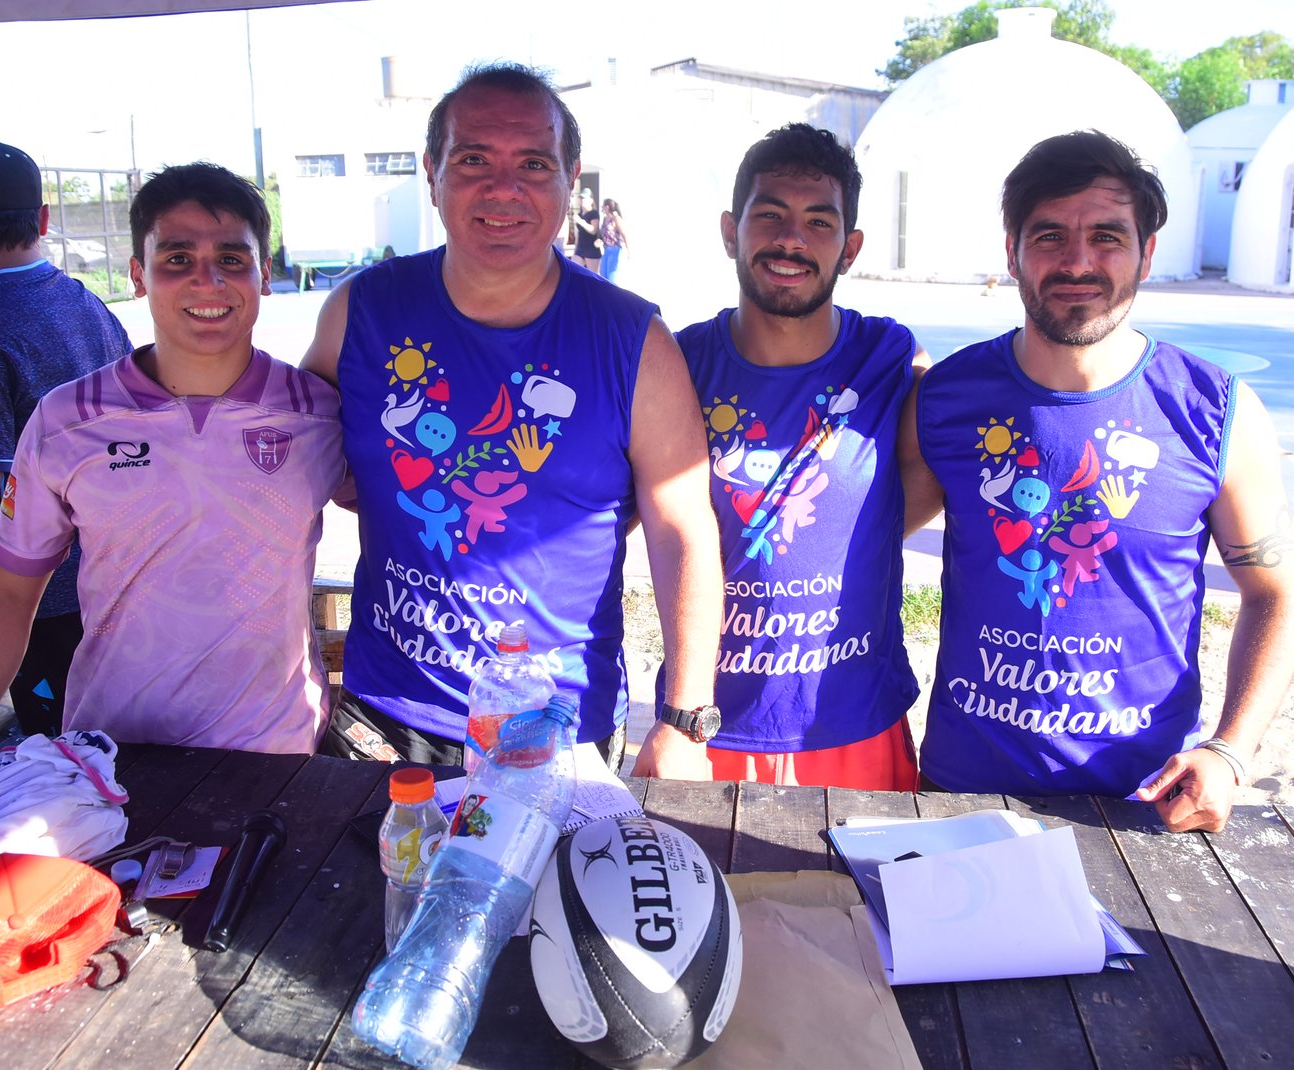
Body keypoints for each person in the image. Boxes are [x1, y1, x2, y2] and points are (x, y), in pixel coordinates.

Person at [301, 62, 722, 777]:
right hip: (386, 715)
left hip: (553, 726)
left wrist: (685, 720)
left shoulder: (634, 341)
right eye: (473, 160)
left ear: (570, 178)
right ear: (432, 173)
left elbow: (682, 525)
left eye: (533, 163)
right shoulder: (359, 311)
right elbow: (297, 453)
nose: (504, 188)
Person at [0, 162, 347, 801]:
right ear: (138, 274)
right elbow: (9, 589)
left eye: (231, 259)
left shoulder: (320, 414)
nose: (207, 280)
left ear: (263, 274)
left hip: (278, 753)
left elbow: (403, 517)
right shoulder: (66, 421)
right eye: (177, 258)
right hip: (114, 760)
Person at [906, 130, 1294, 832]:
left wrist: (1230, 750)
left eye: (1107, 237)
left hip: (1147, 797)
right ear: (1012, 251)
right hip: (963, 785)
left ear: (1146, 253)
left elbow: (1276, 593)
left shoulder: (1216, 411)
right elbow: (854, 543)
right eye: (1050, 236)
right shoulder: (943, 399)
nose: (1078, 261)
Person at [668, 123, 929, 791]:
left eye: (819, 221)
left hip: (854, 724)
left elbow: (934, 472)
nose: (792, 239)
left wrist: (850, 537)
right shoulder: (677, 365)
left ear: (850, 247)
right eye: (770, 215)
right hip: (709, 726)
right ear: (730, 231)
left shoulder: (890, 358)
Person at [0, 140, 133, 738]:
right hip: (117, 571)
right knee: (123, 743)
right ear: (44, 219)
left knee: (63, 753)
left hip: (39, 595)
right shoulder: (89, 305)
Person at [569, 186, 601, 271]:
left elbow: (593, 230)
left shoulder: (593, 213)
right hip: (580, 248)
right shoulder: (579, 215)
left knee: (593, 275)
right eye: (581, 198)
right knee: (573, 270)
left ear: (591, 200)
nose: (582, 200)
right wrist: (575, 250)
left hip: (591, 249)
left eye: (584, 198)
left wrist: (581, 222)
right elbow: (578, 234)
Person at [598, 197, 628, 284]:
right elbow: (605, 234)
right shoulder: (605, 219)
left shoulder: (615, 219)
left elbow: (624, 234)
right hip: (606, 249)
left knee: (612, 275)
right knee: (603, 274)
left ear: (607, 207)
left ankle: (613, 291)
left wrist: (628, 250)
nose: (602, 208)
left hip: (615, 249)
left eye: (603, 206)